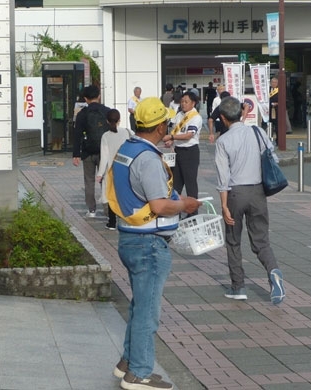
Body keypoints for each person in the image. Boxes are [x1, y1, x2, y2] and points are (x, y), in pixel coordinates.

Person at [107, 97, 201, 390]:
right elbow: (160, 206)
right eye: (167, 122)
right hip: (148, 244)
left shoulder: (128, 148)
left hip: (130, 238)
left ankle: (128, 363)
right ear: (161, 127)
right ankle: (139, 374)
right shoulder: (148, 159)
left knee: (139, 306)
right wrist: (185, 204)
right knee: (148, 312)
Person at [214, 96, 285, 305]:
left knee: (233, 240)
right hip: (258, 192)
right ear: (241, 113)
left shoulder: (223, 141)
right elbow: (274, 157)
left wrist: (224, 205)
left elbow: (222, 178)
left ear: (223, 118)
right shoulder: (258, 132)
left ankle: (238, 287)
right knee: (261, 240)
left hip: (235, 193)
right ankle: (274, 271)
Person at [73, 85, 111, 218]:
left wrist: (76, 154)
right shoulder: (107, 111)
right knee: (105, 180)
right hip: (104, 152)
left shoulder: (82, 114)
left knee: (89, 181)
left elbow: (77, 134)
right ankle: (108, 209)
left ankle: (92, 210)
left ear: (85, 98)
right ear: (99, 96)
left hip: (88, 151)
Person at [162, 92, 202, 213]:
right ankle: (175, 210)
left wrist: (172, 138)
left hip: (190, 152)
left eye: (186, 102)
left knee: (190, 183)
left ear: (193, 103)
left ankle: (193, 212)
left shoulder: (196, 117)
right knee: (176, 183)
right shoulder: (180, 114)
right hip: (178, 151)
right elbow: (176, 130)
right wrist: (172, 141)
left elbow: (189, 135)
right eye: (182, 101)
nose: (183, 104)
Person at [96, 109, 133, 230]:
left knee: (112, 195)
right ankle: (126, 219)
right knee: (124, 195)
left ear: (107, 121)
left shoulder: (106, 136)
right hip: (126, 169)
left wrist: (100, 173)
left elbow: (104, 156)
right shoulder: (128, 132)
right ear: (120, 120)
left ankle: (112, 222)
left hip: (112, 170)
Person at [269, 77, 279, 143]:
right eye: (272, 82)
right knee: (269, 126)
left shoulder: (279, 90)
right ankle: (269, 140)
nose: (274, 84)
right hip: (268, 110)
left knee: (277, 126)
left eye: (275, 82)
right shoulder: (268, 89)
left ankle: (278, 140)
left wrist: (277, 103)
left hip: (277, 110)